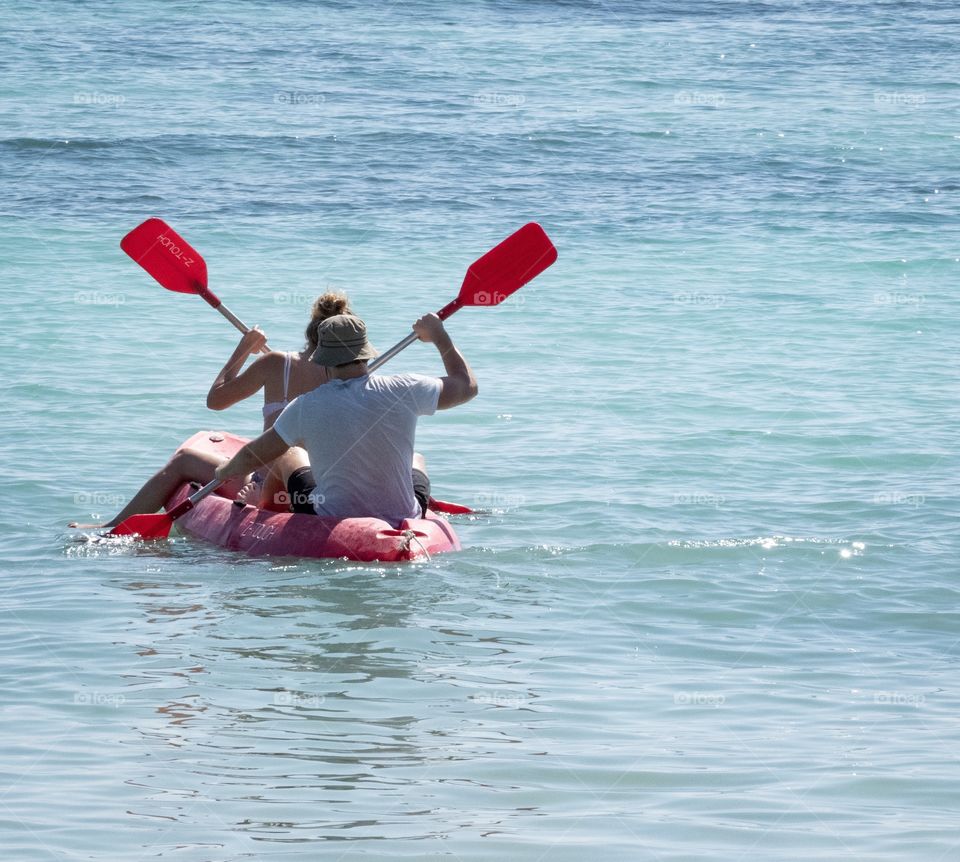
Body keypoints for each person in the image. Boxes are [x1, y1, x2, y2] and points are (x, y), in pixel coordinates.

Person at [70, 292, 351, 529]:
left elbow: (216, 400)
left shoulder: (278, 364)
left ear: (309, 332)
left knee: (184, 459)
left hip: (269, 483)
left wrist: (243, 349)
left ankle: (113, 526)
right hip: (325, 486)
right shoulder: (357, 378)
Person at [213, 311, 476, 524]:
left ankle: (267, 514)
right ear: (365, 353)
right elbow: (466, 386)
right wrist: (440, 336)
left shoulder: (306, 405)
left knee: (289, 453)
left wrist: (224, 471)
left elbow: (254, 455)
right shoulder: (407, 387)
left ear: (323, 360)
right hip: (406, 515)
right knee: (416, 459)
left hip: (330, 516)